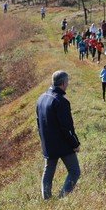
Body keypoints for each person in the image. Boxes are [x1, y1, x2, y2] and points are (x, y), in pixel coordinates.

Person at [36, 71, 81, 199]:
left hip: (48, 143)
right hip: (63, 144)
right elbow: (67, 127)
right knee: (74, 171)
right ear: (63, 83)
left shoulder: (41, 98)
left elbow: (38, 122)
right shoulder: (61, 101)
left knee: (48, 171)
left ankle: (47, 199)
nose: (68, 84)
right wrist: (75, 144)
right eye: (67, 82)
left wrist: (43, 141)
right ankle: (62, 198)